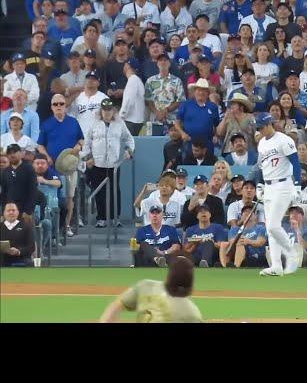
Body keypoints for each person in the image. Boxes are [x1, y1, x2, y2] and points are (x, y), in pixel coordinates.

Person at [252, 113, 302, 276]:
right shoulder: (261, 144)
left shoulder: (283, 140)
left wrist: (297, 185)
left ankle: (292, 254)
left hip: (283, 184)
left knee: (273, 225)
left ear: (269, 124)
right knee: (270, 228)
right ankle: (276, 266)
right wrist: (259, 185)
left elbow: (295, 162)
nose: (260, 130)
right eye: (258, 128)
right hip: (269, 186)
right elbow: (260, 166)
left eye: (262, 127)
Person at [100, 254, 202, 323]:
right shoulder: (192, 314)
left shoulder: (146, 286)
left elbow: (115, 306)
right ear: (191, 284)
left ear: (168, 277)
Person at [81, 99, 134, 228]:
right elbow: (87, 142)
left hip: (114, 164)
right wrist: (88, 157)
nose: (107, 113)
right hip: (97, 163)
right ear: (101, 111)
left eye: (109, 110)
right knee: (99, 191)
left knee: (115, 191)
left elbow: (129, 139)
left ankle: (115, 217)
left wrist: (129, 150)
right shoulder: (94, 124)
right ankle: (102, 218)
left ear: (113, 111)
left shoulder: (119, 124)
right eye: (104, 110)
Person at [36, 93, 84, 236]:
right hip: (52, 168)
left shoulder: (73, 122)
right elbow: (40, 145)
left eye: (61, 104)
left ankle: (67, 226)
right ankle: (53, 230)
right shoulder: (46, 124)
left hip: (69, 167)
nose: (58, 106)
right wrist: (46, 156)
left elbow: (81, 140)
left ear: (66, 106)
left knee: (70, 197)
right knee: (55, 198)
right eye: (55, 104)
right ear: (51, 107)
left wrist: (77, 147)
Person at [219, 204, 268, 268]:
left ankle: (236, 266)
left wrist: (248, 241)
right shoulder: (235, 229)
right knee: (224, 244)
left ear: (256, 216)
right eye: (245, 212)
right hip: (238, 253)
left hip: (255, 255)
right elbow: (231, 242)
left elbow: (260, 242)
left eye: (250, 212)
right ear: (241, 216)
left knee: (240, 243)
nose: (247, 213)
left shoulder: (261, 228)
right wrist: (239, 240)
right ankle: (224, 267)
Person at [0, 144, 38, 223]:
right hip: (10, 211)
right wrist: (3, 212)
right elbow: (4, 193)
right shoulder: (5, 172)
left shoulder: (29, 169)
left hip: (25, 210)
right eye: (9, 153)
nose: (12, 155)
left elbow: (33, 191)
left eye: (14, 152)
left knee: (26, 234)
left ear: (20, 153)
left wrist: (28, 211)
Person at [0, 202, 36, 267]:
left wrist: (18, 251)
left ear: (18, 212)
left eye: (13, 210)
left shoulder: (26, 227)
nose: (11, 212)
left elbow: (31, 247)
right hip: (2, 261)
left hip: (21, 261)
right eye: (8, 210)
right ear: (4, 213)